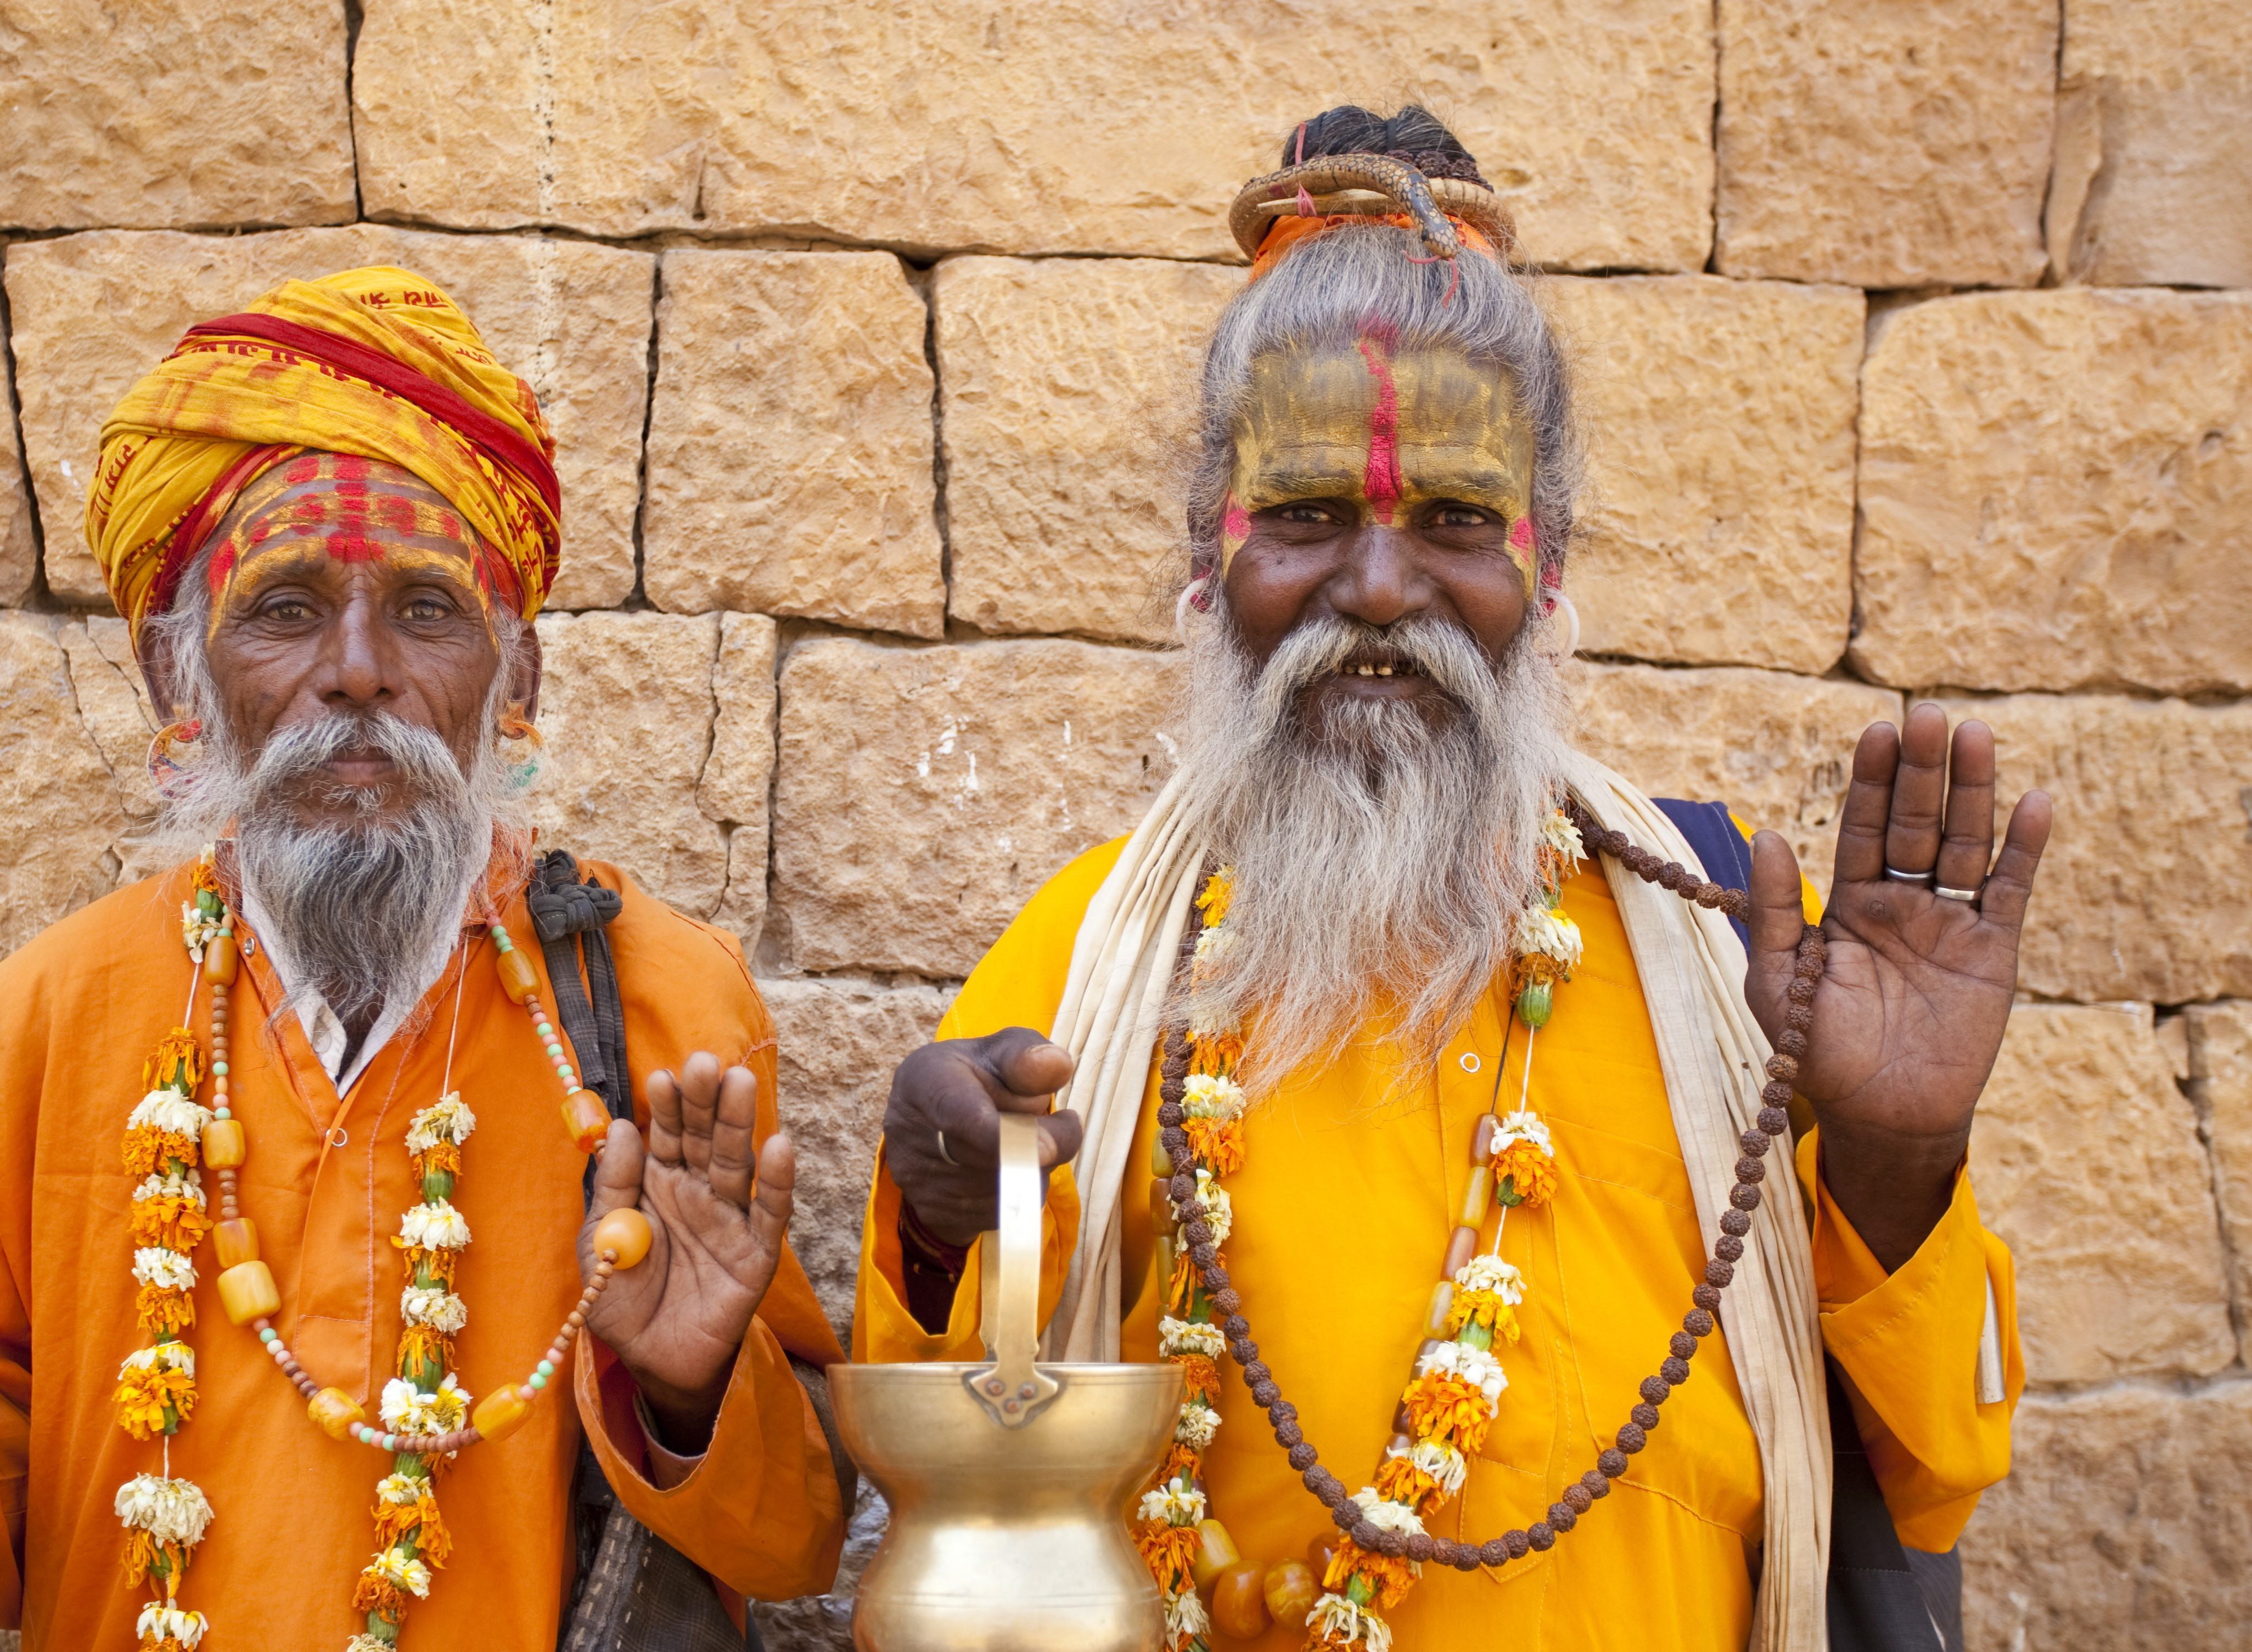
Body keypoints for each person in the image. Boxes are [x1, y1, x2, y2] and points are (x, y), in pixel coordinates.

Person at [861, 106, 2045, 1652]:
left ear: (1544, 565)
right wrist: (956, 1224)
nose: (1374, 586)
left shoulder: (1719, 947)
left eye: (1456, 521)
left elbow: (1940, 1470)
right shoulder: (1096, 953)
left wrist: (1899, 1154)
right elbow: (958, 1491)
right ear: (1207, 551)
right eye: (1303, 516)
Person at [0, 268, 847, 1652]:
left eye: (428, 611)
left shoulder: (661, 1002)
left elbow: (798, 1538)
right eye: (286, 608)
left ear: (519, 681)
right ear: (175, 677)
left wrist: (686, 1398)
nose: (360, 670)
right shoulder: (47, 1018)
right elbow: (2, 1504)